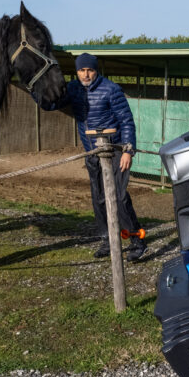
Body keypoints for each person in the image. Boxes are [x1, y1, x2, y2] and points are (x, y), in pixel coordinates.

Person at [47, 52, 147, 261]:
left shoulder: (111, 90)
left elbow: (127, 121)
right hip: (92, 153)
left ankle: (138, 240)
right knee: (99, 197)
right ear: (77, 72)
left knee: (119, 197)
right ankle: (108, 239)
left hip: (115, 151)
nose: (85, 74)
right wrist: (37, 92)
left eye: (89, 70)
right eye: (82, 70)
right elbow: (52, 103)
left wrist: (128, 150)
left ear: (96, 70)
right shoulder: (73, 89)